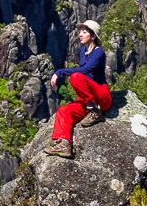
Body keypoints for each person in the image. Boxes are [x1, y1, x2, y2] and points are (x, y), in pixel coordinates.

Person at [44, 20, 112, 159]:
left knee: (75, 77)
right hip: (88, 99)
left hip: (101, 96)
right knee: (63, 111)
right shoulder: (83, 51)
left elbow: (86, 70)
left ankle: (95, 111)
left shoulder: (99, 52)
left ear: (93, 36)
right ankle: (64, 144)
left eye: (84, 31)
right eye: (80, 31)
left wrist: (60, 72)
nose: (80, 34)